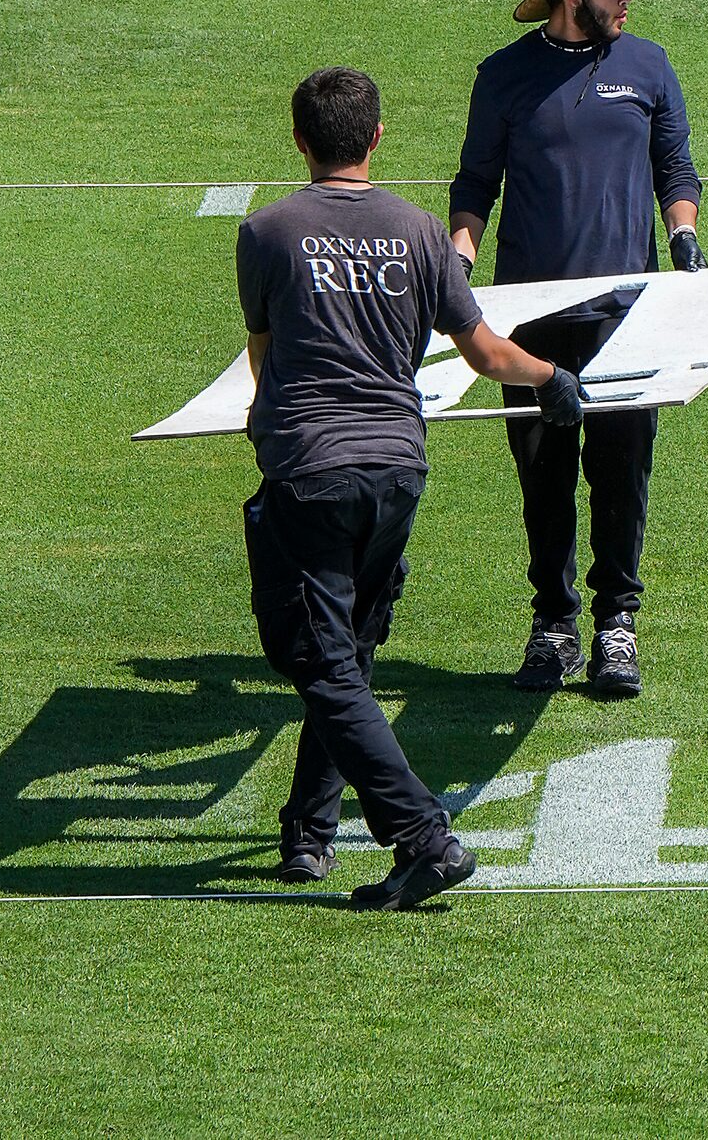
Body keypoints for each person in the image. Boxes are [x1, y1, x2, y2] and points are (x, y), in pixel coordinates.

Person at [240, 66, 582, 909]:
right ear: (378, 138)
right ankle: (309, 833)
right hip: (396, 468)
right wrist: (555, 378)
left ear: (299, 141)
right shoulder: (423, 232)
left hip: (309, 471)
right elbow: (488, 354)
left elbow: (261, 354)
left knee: (317, 663)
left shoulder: (268, 232)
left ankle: (423, 836)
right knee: (346, 657)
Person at [452, 0, 704, 700]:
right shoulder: (503, 77)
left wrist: (684, 237)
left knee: (623, 471)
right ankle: (553, 623)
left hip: (629, 314)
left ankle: (617, 624)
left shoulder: (651, 66)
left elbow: (677, 169)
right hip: (533, 324)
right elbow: (474, 186)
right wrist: (460, 260)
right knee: (544, 475)